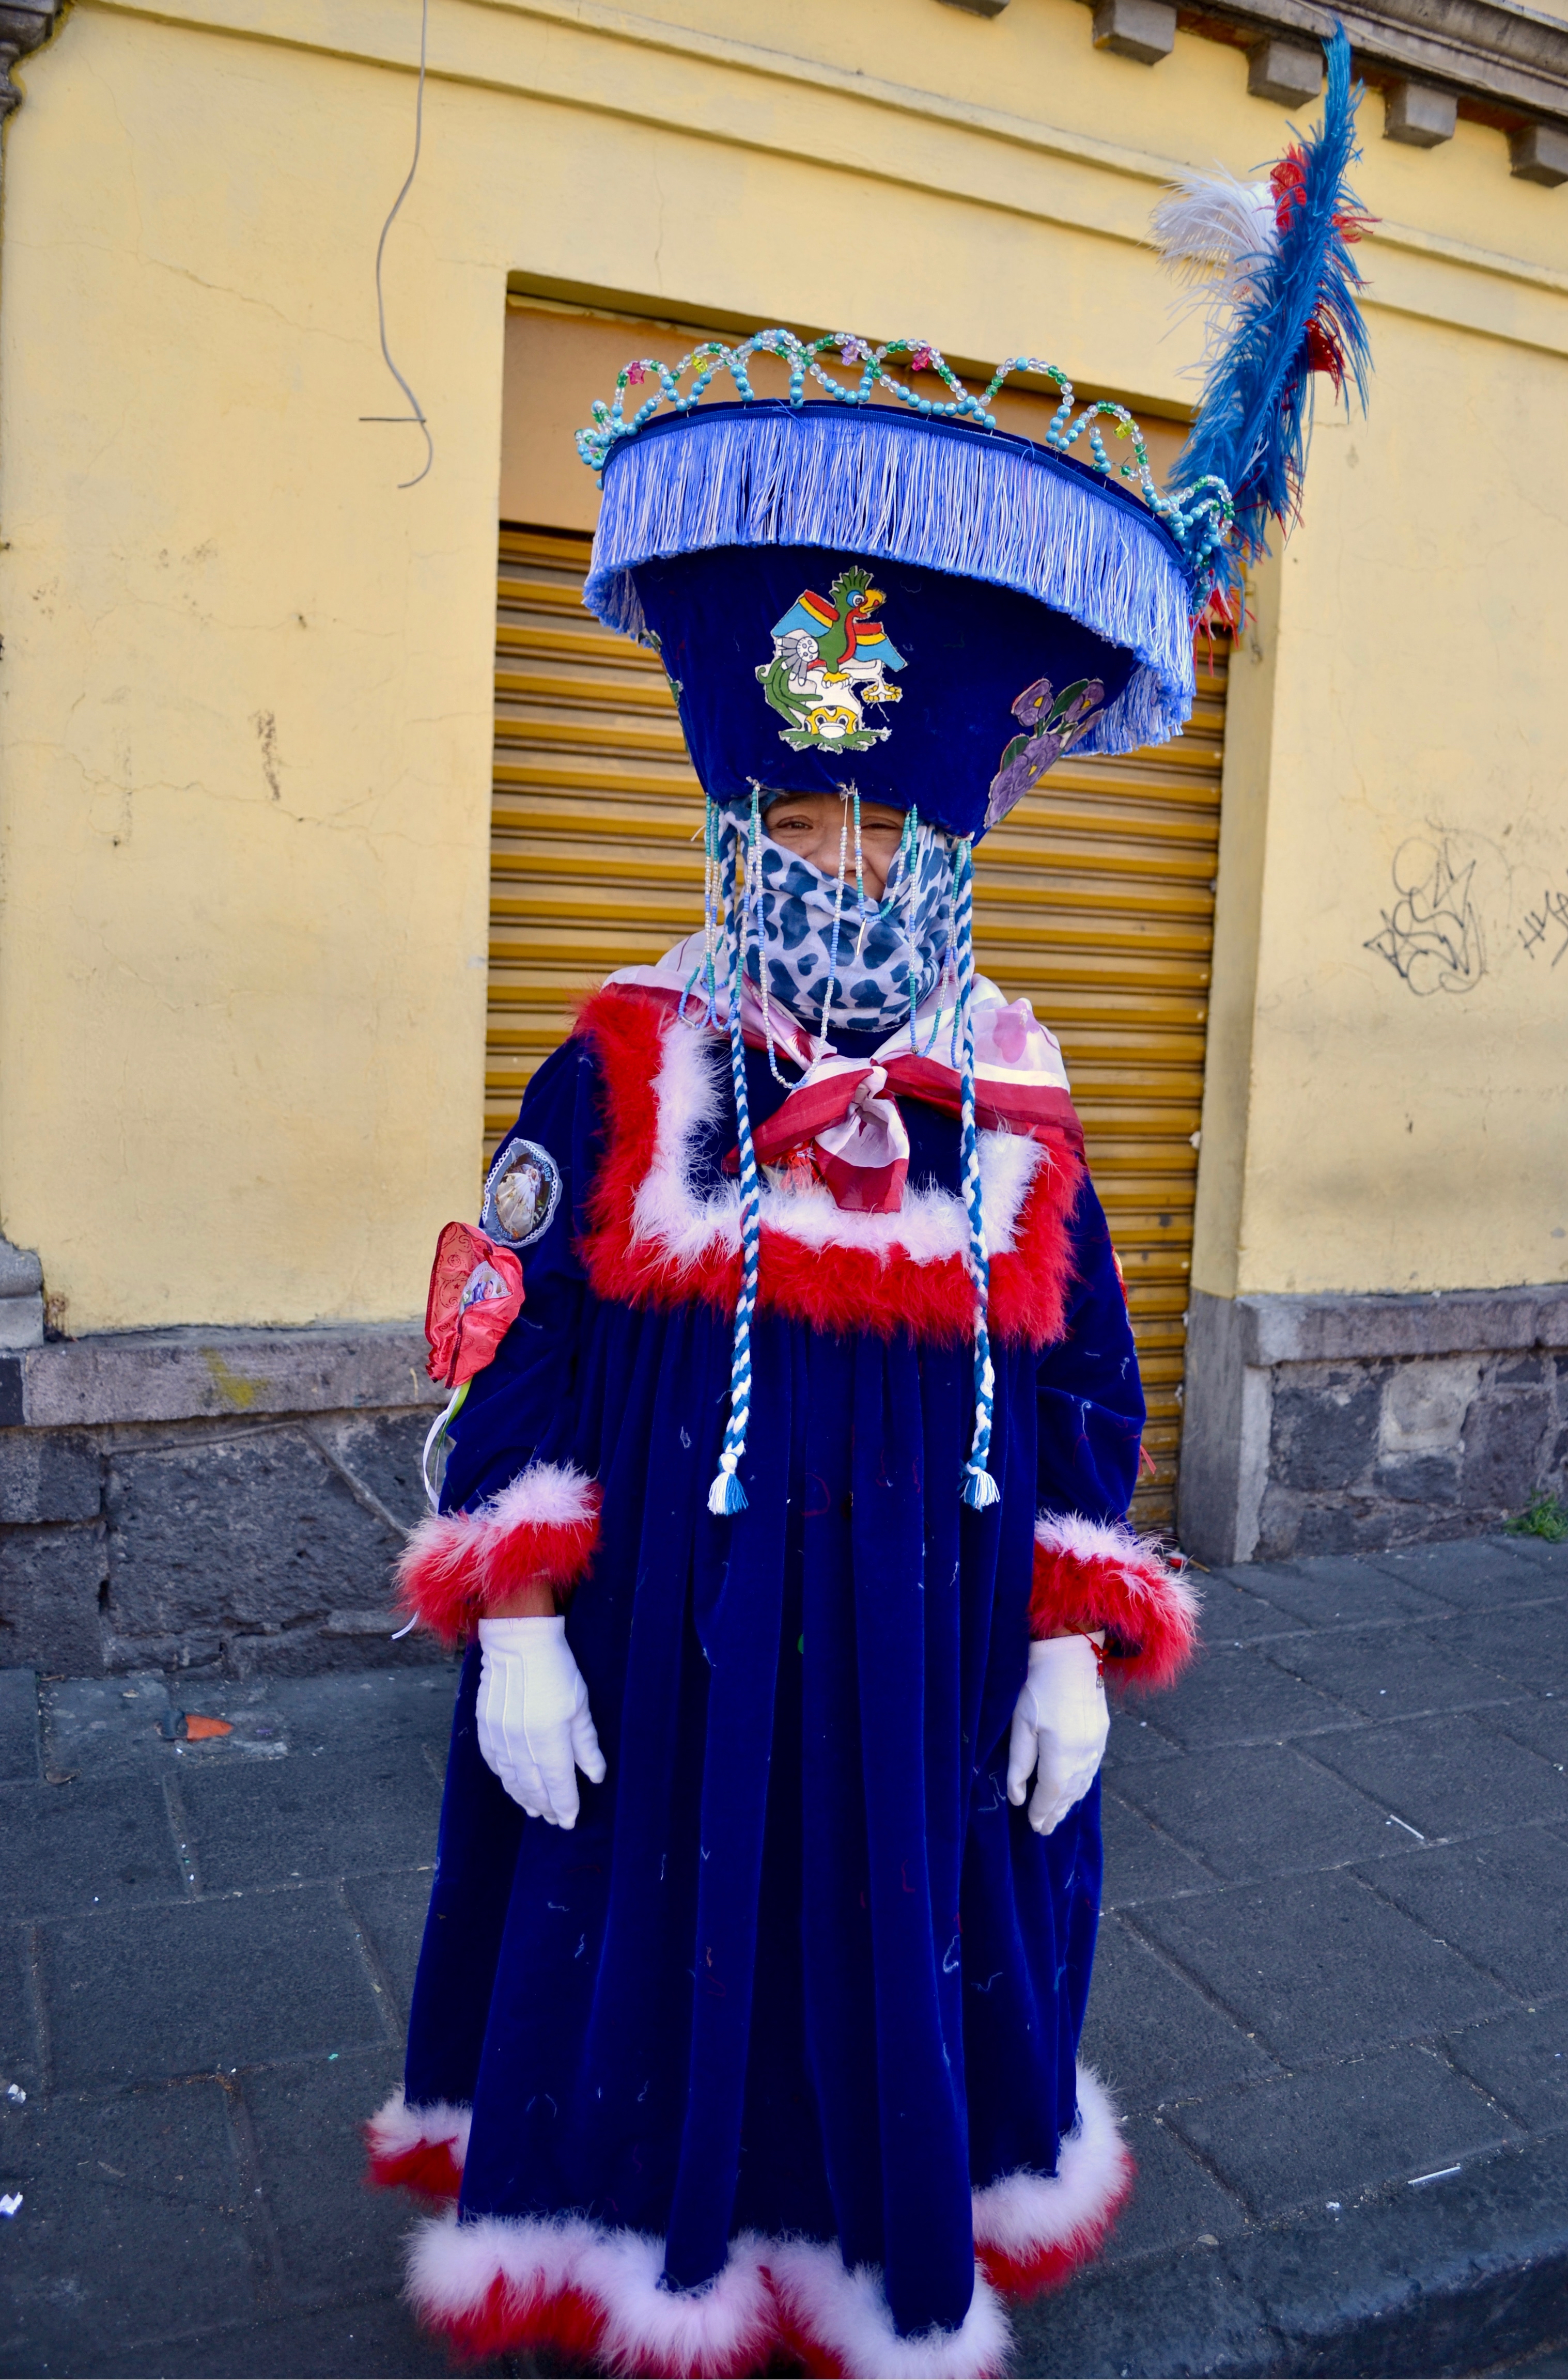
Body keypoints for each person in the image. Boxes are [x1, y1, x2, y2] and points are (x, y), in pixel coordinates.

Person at [368, 95, 1370, 2361]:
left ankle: (875, 2257)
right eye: (793, 818)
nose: (834, 866)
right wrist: (517, 1617)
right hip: (661, 1657)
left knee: (894, 1936)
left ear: (962, 838)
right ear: (734, 813)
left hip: (924, 1654)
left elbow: (1089, 1381)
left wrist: (1057, 1638)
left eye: (878, 827)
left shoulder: (1015, 1082)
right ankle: (639, 2258)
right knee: (651, 1938)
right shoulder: (618, 1053)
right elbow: (505, 1337)